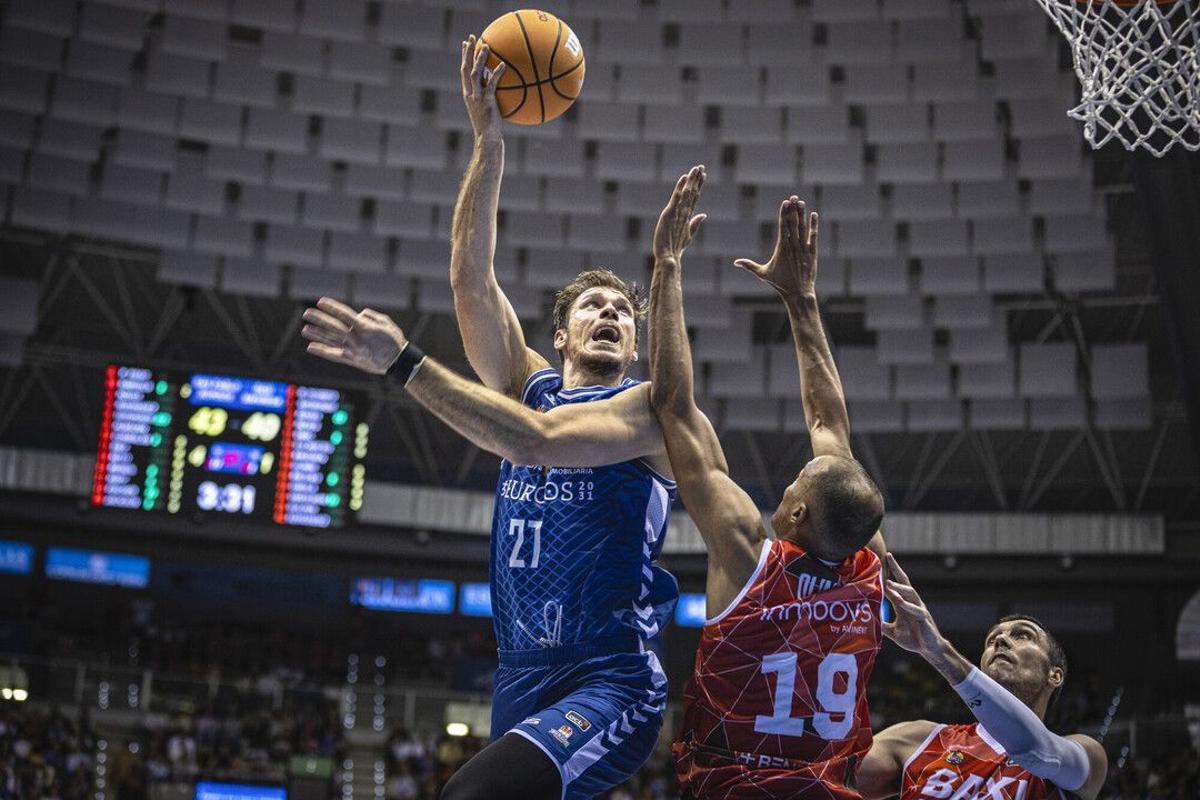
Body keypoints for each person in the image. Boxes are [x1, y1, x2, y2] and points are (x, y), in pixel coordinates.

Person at [301, 38, 680, 799]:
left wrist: (403, 363)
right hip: (519, 672)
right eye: (592, 307)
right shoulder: (525, 382)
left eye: (622, 312)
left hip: (610, 680)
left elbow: (532, 442)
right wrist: (489, 145)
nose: (611, 314)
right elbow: (470, 280)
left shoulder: (647, 413)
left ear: (634, 342)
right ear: (561, 336)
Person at [646, 166, 888, 799]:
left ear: (799, 514)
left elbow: (672, 405)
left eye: (795, 483)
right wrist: (801, 300)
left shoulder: (748, 556)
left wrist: (667, 266)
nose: (787, 483)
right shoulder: (868, 567)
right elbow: (829, 427)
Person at [856, 555, 1108, 800]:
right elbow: (829, 772)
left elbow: (1033, 752)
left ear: (1055, 675)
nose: (1001, 640)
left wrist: (939, 652)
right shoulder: (919, 739)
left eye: (1023, 635)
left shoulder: (1087, 757)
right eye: (991, 640)